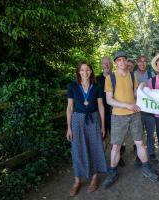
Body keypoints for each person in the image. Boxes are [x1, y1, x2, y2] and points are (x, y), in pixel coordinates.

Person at [102, 51, 159, 189]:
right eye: (119, 60)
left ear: (127, 62)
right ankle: (112, 172)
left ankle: (146, 168)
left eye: (124, 60)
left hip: (134, 115)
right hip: (118, 116)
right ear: (115, 63)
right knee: (116, 146)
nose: (122, 62)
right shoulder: (110, 78)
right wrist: (128, 105)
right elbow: (109, 100)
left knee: (140, 143)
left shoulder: (132, 76)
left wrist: (140, 87)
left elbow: (134, 93)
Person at [66, 61, 107, 196]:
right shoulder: (72, 86)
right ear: (78, 72)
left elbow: (101, 106)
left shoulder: (97, 86)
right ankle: (77, 181)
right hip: (77, 120)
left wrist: (103, 125)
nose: (85, 72)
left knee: (95, 147)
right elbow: (70, 108)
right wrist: (69, 128)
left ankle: (94, 177)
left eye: (87, 70)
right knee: (77, 148)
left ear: (91, 71)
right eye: (82, 70)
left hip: (93, 119)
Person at [96, 56, 126, 167]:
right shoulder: (96, 80)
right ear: (101, 65)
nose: (107, 65)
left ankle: (119, 158)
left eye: (108, 63)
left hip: (115, 112)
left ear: (112, 65)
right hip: (101, 113)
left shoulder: (116, 77)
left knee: (117, 137)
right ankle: (101, 160)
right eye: (104, 63)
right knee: (102, 137)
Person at [133, 55, 158, 166]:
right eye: (140, 62)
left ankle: (151, 154)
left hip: (149, 110)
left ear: (146, 63)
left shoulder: (151, 74)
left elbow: (155, 90)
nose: (142, 63)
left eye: (144, 61)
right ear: (137, 63)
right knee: (139, 134)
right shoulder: (133, 75)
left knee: (150, 134)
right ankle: (139, 156)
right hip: (137, 110)